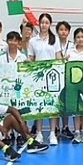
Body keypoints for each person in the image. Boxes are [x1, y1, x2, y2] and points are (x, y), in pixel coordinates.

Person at [28, 13, 62, 145]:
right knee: (40, 105)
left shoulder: (55, 39)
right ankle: (39, 133)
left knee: (53, 105)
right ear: (39, 24)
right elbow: (31, 58)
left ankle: (53, 133)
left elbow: (58, 56)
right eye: (42, 22)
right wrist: (27, 61)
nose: (44, 25)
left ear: (50, 24)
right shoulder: (32, 41)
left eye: (46, 22)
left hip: (53, 77)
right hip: (38, 78)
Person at [68, 28, 83, 144]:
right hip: (73, 86)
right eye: (78, 37)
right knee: (77, 110)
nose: (80, 39)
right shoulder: (70, 53)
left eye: (82, 37)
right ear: (74, 39)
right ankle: (76, 132)